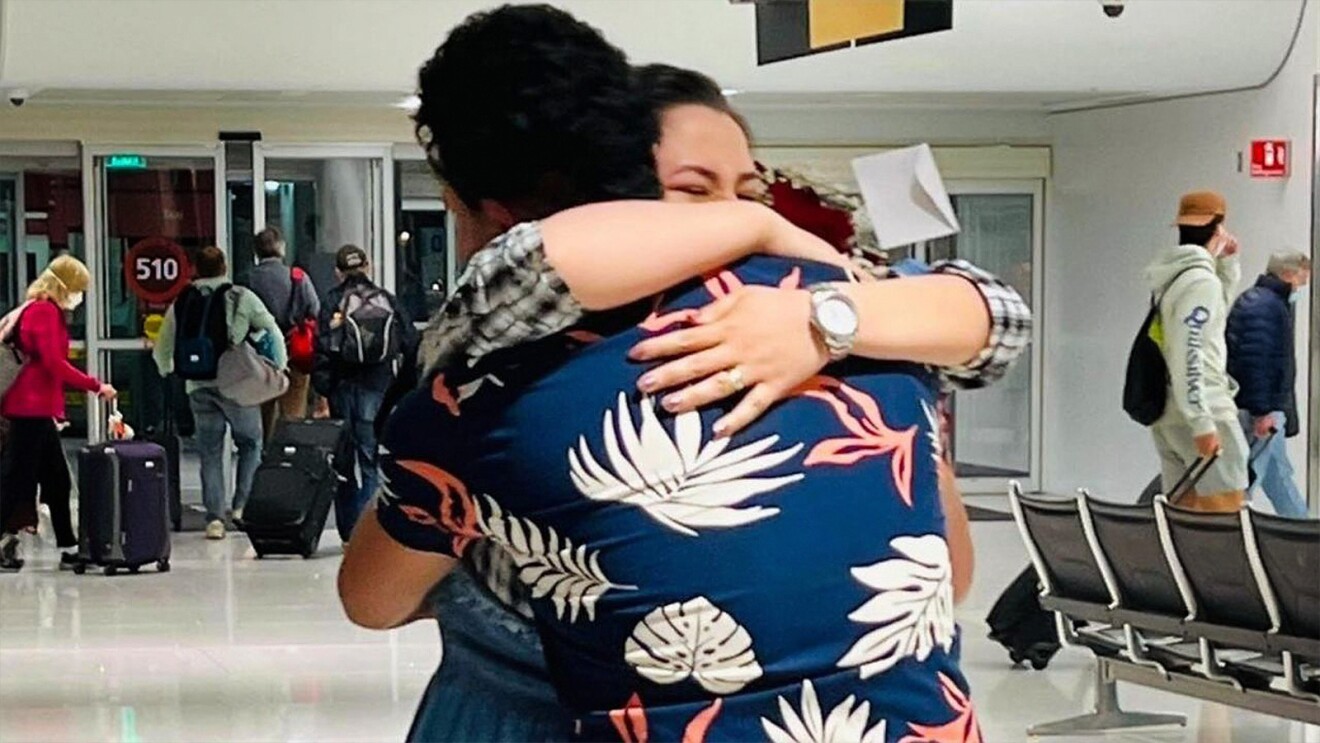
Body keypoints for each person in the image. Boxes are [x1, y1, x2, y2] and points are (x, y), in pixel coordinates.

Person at [342, 6, 1008, 740]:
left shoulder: (481, 390)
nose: (722, 216)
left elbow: (373, 596)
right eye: (694, 193)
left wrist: (826, 316)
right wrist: (795, 261)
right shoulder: (865, 315)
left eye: (745, 193)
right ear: (624, 198)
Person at [152, 246, 287, 539]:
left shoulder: (183, 300)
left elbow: (164, 343)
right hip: (236, 384)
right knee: (251, 443)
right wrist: (279, 366)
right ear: (224, 267)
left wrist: (166, 369)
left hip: (198, 386)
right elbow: (271, 330)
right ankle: (242, 507)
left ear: (195, 269)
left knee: (210, 452)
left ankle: (214, 519)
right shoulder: (239, 296)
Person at [0, 256, 116, 571]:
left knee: (55, 480)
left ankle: (68, 546)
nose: (79, 298)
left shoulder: (36, 309)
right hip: (29, 408)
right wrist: (96, 385)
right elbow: (53, 363)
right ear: (65, 287)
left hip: (35, 407)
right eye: (78, 290)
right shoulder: (44, 312)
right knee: (18, 480)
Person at [1144, 190, 1248, 512]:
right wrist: (1202, 422)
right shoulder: (1200, 283)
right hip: (1207, 410)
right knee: (1224, 517)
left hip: (1170, 411)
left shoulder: (1174, 278)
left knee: (1182, 516)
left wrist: (1226, 266)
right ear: (1219, 230)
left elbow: (1210, 320)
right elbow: (1190, 352)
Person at [312, 245, 416, 544]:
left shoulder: (332, 301)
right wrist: (402, 387)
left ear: (337, 272)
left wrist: (323, 390)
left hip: (342, 388)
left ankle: (348, 532)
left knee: (343, 464)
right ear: (368, 266)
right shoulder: (387, 300)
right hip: (378, 387)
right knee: (372, 461)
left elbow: (323, 350)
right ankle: (370, 533)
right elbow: (409, 343)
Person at [1226, 250, 1310, 517]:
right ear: (1288, 273)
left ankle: (1305, 536)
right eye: (1302, 279)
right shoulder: (1269, 308)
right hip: (1262, 412)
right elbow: (1257, 362)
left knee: (1277, 476)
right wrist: (1263, 411)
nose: (1302, 286)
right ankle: (1304, 540)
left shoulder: (1256, 301)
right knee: (1246, 480)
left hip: (1261, 408)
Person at [244, 227, 320, 440]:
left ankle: (266, 455)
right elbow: (315, 311)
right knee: (294, 410)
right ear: (281, 248)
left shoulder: (247, 279)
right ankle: (289, 455)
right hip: (295, 352)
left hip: (259, 357)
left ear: (257, 252)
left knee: (263, 412)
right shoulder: (298, 277)